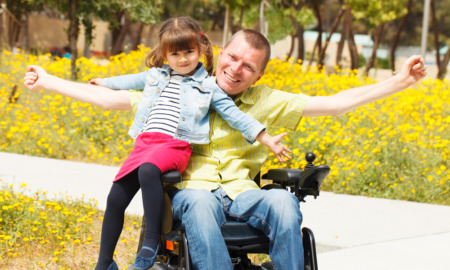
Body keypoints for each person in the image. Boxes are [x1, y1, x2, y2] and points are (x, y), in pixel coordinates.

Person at [24, 28, 426, 270]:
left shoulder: (270, 101)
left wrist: (401, 82)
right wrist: (47, 79)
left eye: (248, 67)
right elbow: (108, 99)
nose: (236, 69)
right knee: (198, 204)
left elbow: (336, 103)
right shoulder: (177, 86)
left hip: (244, 192)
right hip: (195, 191)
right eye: (232, 58)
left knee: (285, 205)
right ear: (219, 53)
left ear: (260, 74)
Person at [24, 18, 290, 270]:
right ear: (165, 55)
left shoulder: (209, 87)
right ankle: (104, 262)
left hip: (174, 145)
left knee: (149, 170)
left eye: (189, 52)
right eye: (175, 54)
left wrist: (265, 138)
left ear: (201, 50)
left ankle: (151, 241)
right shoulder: (156, 77)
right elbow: (125, 82)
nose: (182, 59)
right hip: (146, 143)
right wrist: (99, 81)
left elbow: (236, 116)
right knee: (115, 198)